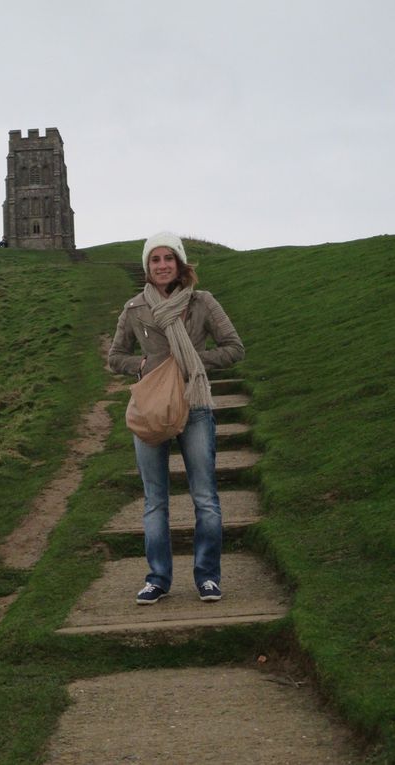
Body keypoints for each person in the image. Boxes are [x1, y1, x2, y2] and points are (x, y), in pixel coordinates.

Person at [109, 232, 245, 605]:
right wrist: (142, 365)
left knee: (205, 497)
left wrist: (193, 363)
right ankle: (158, 578)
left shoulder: (202, 303)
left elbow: (234, 348)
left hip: (195, 404)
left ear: (181, 263)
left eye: (169, 257)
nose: (163, 264)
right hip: (153, 409)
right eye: (155, 259)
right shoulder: (135, 308)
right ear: (147, 266)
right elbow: (115, 356)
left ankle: (207, 577)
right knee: (155, 501)